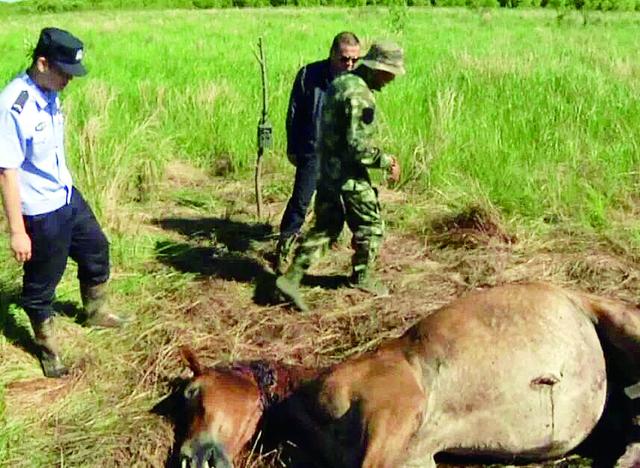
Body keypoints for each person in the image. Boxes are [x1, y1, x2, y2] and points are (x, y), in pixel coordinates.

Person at [0, 27, 127, 378]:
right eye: (65, 73)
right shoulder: (14, 105)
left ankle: (96, 312)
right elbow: (6, 171)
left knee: (97, 249)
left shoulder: (50, 91)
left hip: (67, 196)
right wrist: (17, 232)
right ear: (42, 63)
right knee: (42, 286)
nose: (69, 80)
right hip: (40, 212)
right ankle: (48, 350)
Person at [275, 40, 404, 312]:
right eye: (390, 73)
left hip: (326, 169)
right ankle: (362, 277)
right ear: (378, 68)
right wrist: (387, 160)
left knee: (327, 227)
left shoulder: (342, 83)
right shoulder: (360, 97)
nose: (391, 80)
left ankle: (291, 278)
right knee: (371, 225)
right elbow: (358, 148)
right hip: (347, 176)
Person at [275, 31, 362, 274]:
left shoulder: (358, 81)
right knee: (301, 201)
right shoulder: (308, 75)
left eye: (354, 59)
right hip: (313, 150)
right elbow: (294, 114)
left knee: (350, 202)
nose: (349, 64)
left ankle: (350, 254)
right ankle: (284, 245)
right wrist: (293, 147)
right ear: (332, 53)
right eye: (345, 59)